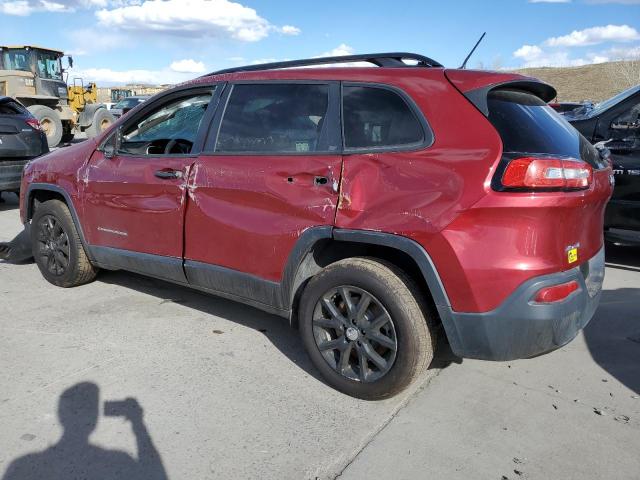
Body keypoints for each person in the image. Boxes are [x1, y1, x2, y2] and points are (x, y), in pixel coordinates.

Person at [2, 382, 167, 480]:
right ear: (94, 420)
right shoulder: (118, 462)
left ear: (60, 416)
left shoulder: (22, 467)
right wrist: (138, 424)